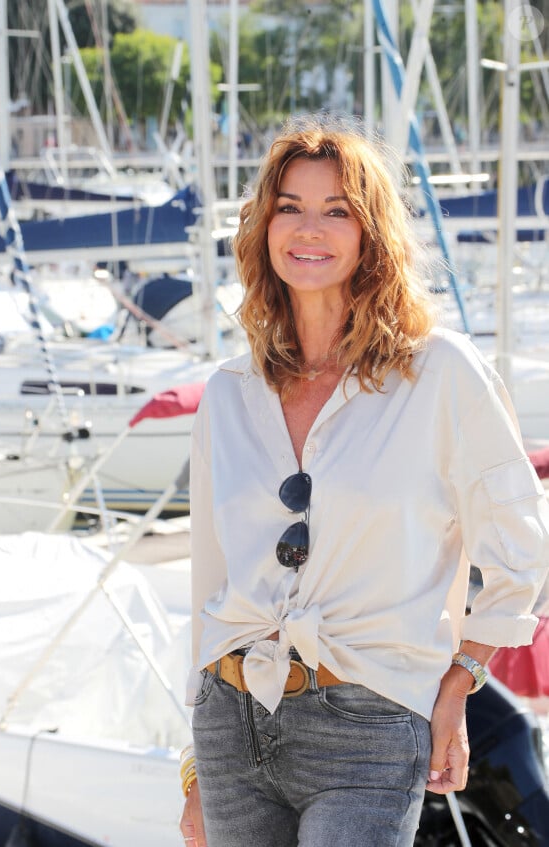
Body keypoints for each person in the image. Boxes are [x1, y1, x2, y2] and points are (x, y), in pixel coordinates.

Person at [179, 114, 549, 847]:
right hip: (232, 720)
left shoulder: (439, 373)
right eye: (289, 207)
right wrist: (193, 768)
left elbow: (521, 548)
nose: (308, 228)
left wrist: (461, 678)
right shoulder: (229, 392)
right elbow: (207, 588)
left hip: (371, 726)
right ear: (263, 229)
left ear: (371, 232)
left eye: (336, 210)